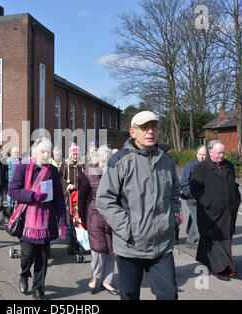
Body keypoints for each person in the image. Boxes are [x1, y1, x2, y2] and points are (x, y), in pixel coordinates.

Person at [96, 110, 181, 300]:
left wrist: (173, 219)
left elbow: (175, 193)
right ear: (132, 132)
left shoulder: (166, 161)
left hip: (161, 245)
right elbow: (104, 200)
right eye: (144, 128)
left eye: (153, 127)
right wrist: (127, 229)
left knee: (169, 295)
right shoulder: (119, 161)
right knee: (130, 295)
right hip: (130, 246)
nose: (150, 132)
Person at [7, 137, 67, 300]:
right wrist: (33, 195)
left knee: (42, 258)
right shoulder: (23, 167)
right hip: (27, 221)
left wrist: (62, 223)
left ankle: (38, 289)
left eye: (49, 152)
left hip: (46, 222)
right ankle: (24, 275)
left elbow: (59, 199)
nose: (46, 155)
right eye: (43, 151)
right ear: (35, 152)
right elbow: (12, 191)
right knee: (26, 255)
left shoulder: (53, 171)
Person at [190, 140, 241, 281]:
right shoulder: (200, 169)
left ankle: (212, 262)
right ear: (210, 152)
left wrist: (236, 198)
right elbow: (195, 189)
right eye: (219, 153)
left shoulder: (229, 165)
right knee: (216, 240)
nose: (222, 156)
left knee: (225, 237)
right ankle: (221, 269)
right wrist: (209, 203)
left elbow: (232, 184)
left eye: (223, 152)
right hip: (210, 214)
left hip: (228, 211)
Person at [78, 145, 119, 295]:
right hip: (94, 215)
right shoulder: (88, 173)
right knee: (96, 248)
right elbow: (82, 198)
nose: (105, 164)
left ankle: (107, 281)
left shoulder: (114, 173)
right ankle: (95, 276)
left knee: (111, 249)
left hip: (112, 216)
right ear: (97, 160)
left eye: (107, 161)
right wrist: (82, 218)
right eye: (103, 161)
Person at [180, 145, 207, 249]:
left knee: (195, 220)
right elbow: (184, 183)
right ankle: (203, 245)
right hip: (192, 199)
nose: (202, 157)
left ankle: (190, 241)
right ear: (197, 154)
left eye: (204, 155)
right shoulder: (190, 166)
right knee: (199, 221)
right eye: (200, 154)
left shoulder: (208, 166)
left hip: (204, 199)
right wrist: (192, 194)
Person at [59, 142, 84, 254]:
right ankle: (71, 245)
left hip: (78, 198)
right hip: (68, 197)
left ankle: (80, 244)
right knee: (69, 222)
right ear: (70, 155)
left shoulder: (80, 166)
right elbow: (60, 178)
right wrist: (67, 185)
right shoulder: (64, 166)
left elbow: (84, 180)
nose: (75, 156)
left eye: (77, 154)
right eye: (73, 154)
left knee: (78, 221)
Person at [6, 147, 22, 217]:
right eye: (15, 153)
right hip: (10, 181)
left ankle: (16, 212)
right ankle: (10, 210)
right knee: (9, 197)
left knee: (17, 198)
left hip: (19, 182)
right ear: (12, 154)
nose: (16, 154)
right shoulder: (8, 160)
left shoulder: (21, 160)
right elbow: (5, 171)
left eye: (17, 153)